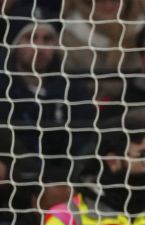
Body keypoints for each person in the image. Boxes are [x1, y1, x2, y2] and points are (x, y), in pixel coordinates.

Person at [0, 4, 97, 181]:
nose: (40, 46)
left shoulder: (72, 88)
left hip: (67, 181)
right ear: (15, 43)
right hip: (15, 182)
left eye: (47, 39)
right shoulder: (3, 87)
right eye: (30, 37)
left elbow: (84, 139)